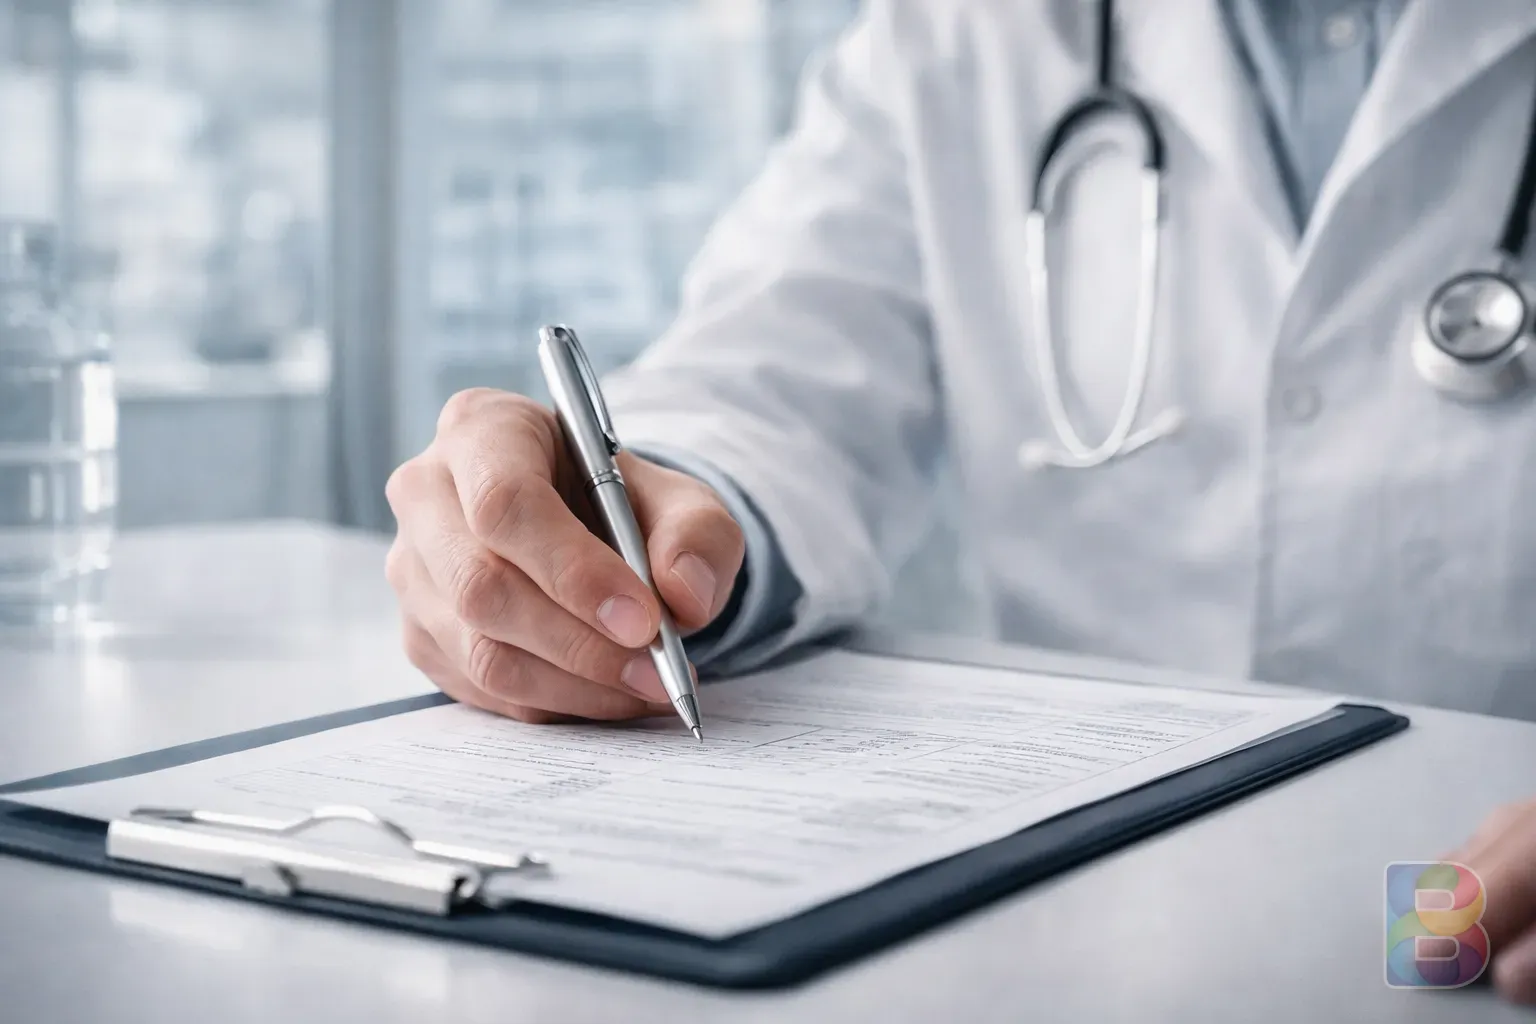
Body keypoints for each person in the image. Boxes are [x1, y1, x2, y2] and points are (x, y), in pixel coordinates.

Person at [384, 0, 1536, 1002]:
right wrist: (639, 524)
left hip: (1479, 922)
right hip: (1106, 920)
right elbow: (775, 369)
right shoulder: (961, 26)